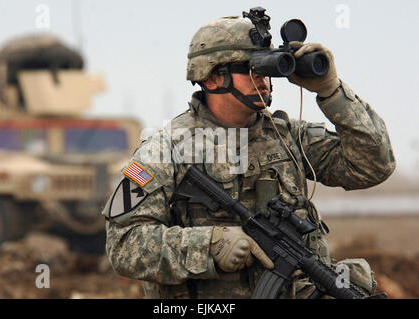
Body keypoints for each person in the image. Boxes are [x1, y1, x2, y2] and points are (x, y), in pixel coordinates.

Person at [101, 15, 395, 299]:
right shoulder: (164, 150)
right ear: (213, 77)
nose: (263, 79)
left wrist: (331, 91)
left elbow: (373, 165)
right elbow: (124, 245)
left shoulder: (288, 136)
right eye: (251, 68)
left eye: (267, 68)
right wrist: (208, 245)